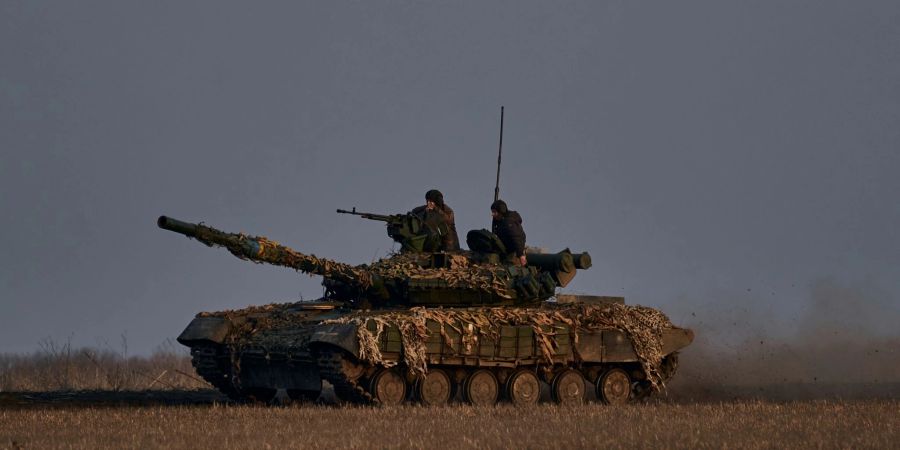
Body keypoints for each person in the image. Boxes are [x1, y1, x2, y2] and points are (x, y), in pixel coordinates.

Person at [490, 199, 527, 266]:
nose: (492, 214)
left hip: (513, 252)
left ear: (501, 212)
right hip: (508, 251)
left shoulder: (508, 223)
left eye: (494, 212)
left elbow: (516, 238)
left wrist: (521, 255)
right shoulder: (501, 221)